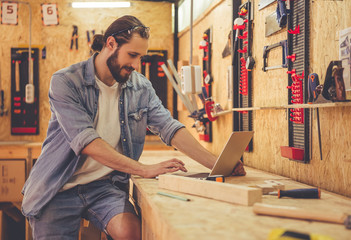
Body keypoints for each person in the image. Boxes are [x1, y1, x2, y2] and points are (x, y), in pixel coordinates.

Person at [21, 15, 246, 240]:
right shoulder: (66, 81)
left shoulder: (140, 86)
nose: (137, 65)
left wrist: (216, 164)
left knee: (132, 232)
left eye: (141, 57)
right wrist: (143, 169)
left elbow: (169, 127)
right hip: (58, 187)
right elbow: (86, 142)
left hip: (103, 187)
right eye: (132, 55)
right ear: (111, 44)